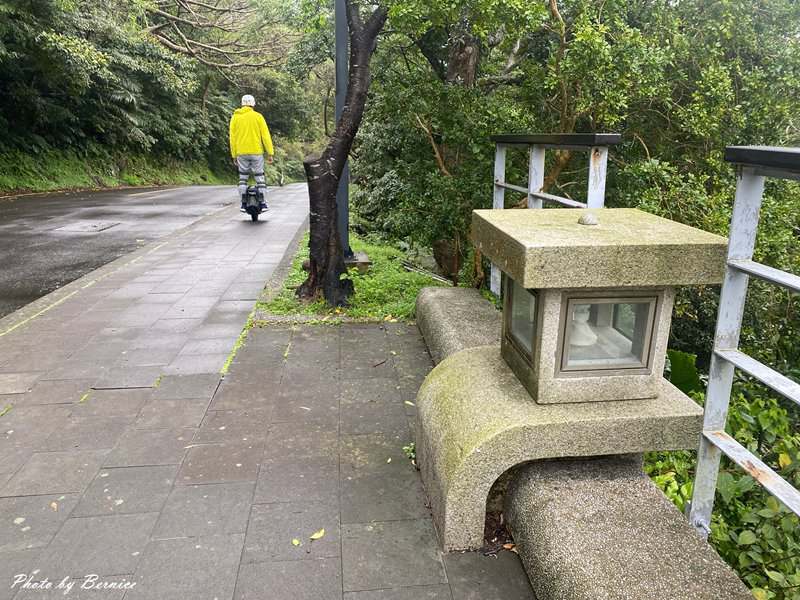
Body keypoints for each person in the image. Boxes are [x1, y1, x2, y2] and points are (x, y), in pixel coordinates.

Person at [229, 94, 274, 211]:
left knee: (242, 178)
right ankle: (263, 203)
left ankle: (243, 204)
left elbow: (232, 138)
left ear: (242, 103)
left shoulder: (235, 117)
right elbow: (265, 135)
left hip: (241, 152)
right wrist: (270, 153)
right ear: (253, 104)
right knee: (259, 177)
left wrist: (234, 155)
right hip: (256, 152)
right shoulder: (258, 116)